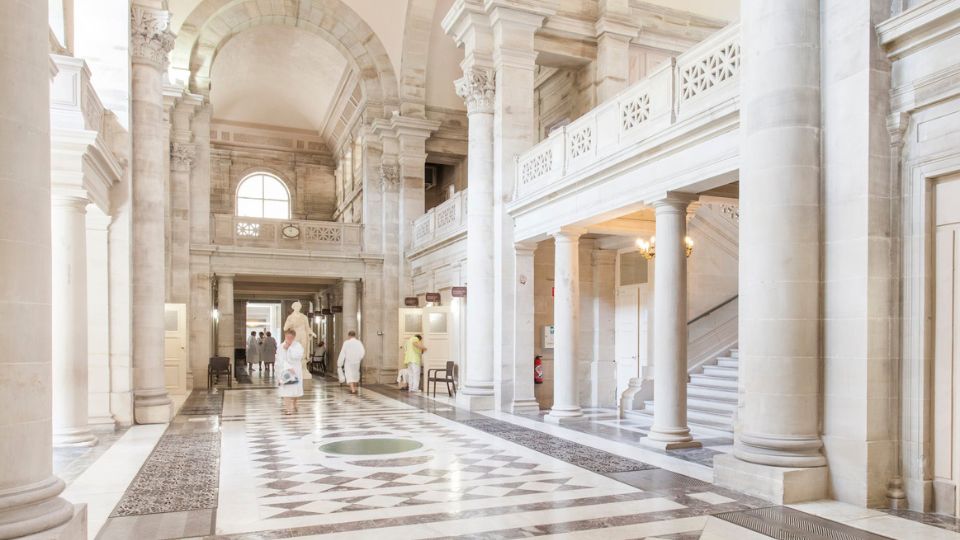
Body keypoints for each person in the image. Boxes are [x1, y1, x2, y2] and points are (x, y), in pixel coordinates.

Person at [277, 328, 303, 414]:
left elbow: (298, 357)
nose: (289, 339)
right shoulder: (281, 346)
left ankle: (295, 403)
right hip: (285, 371)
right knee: (286, 391)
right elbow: (279, 359)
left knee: (295, 391)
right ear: (285, 336)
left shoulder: (297, 346)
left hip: (295, 371)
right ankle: (289, 409)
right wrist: (287, 367)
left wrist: (289, 348)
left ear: (294, 337)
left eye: (291, 338)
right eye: (287, 337)